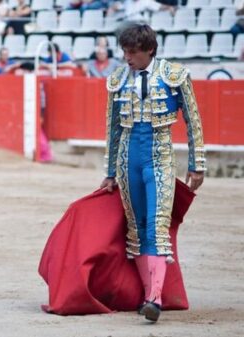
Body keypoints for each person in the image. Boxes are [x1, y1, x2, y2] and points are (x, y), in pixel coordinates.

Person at [100, 24, 205, 323]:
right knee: (137, 228)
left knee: (157, 226)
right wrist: (110, 172)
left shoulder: (174, 75)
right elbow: (114, 129)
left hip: (159, 157)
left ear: (149, 50)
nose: (127, 58)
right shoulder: (118, 79)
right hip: (127, 160)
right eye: (124, 52)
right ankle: (148, 294)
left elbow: (193, 120)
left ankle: (154, 298)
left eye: (133, 52)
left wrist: (197, 164)